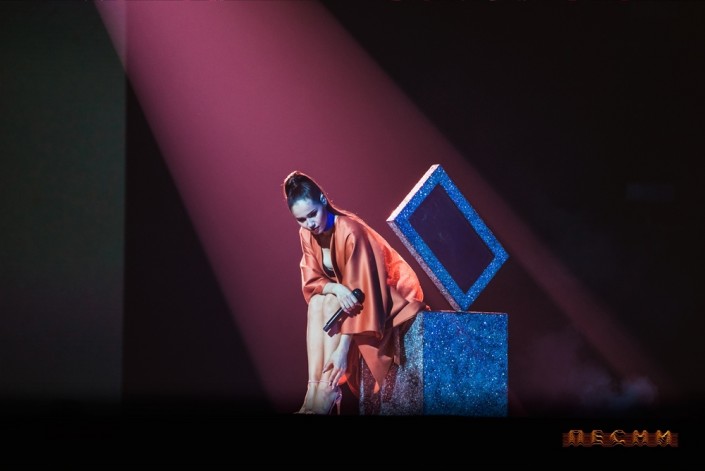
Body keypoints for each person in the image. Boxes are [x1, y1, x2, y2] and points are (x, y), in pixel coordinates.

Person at [283, 171, 428, 415]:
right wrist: (336, 287)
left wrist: (342, 352)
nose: (310, 224)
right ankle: (313, 390)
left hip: (381, 298)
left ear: (323, 200)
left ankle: (328, 389)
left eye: (313, 214)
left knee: (330, 302)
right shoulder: (307, 234)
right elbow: (312, 280)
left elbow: (363, 290)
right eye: (301, 219)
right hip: (347, 301)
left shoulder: (350, 230)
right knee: (318, 301)